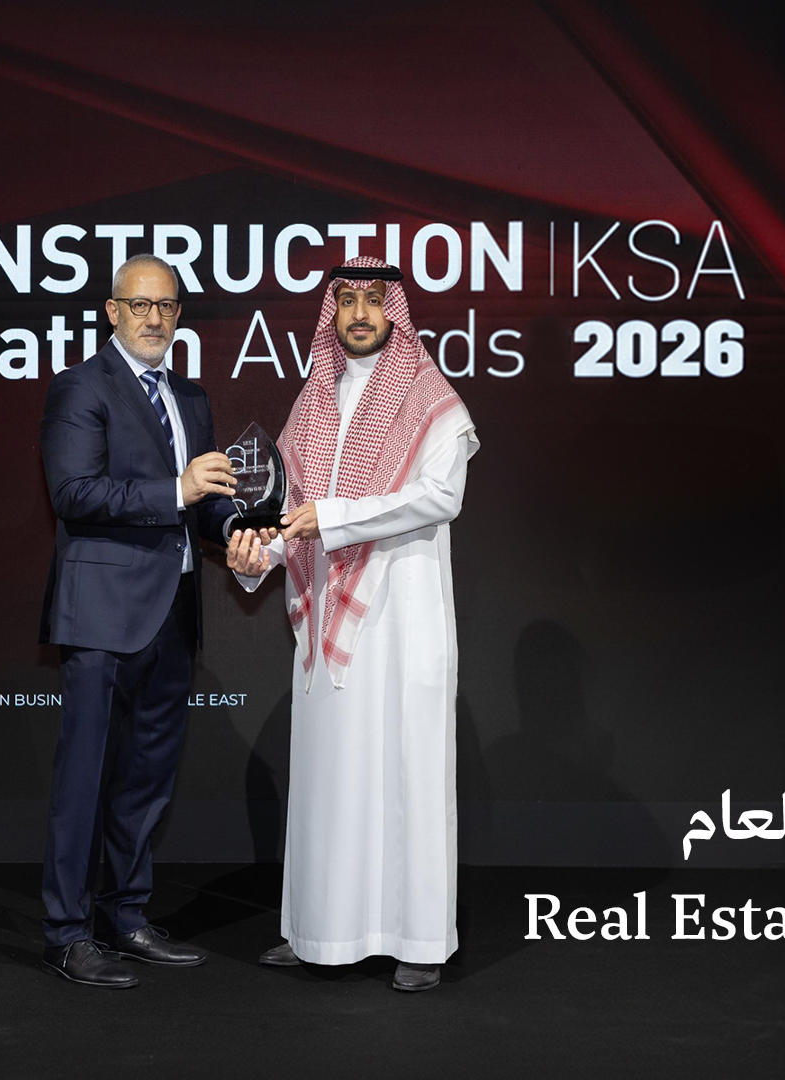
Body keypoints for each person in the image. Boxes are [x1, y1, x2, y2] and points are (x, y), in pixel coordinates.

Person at [225, 255, 478, 992]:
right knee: (329, 780)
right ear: (330, 314)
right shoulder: (312, 403)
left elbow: (440, 497)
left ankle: (419, 942)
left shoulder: (431, 397)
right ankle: (321, 932)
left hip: (402, 618)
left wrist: (332, 518)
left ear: (392, 310)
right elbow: (287, 513)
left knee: (405, 777)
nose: (360, 313)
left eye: (373, 299)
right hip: (326, 625)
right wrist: (255, 554)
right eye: (347, 301)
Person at [36, 253, 239, 987]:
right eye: (141, 305)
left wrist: (236, 529)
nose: (155, 318)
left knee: (147, 779)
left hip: (175, 613)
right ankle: (66, 934)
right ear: (113, 312)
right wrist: (176, 489)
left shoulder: (191, 397)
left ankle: (125, 918)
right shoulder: (81, 387)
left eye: (167, 306)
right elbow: (74, 492)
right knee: (85, 778)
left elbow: (203, 503)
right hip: (102, 615)